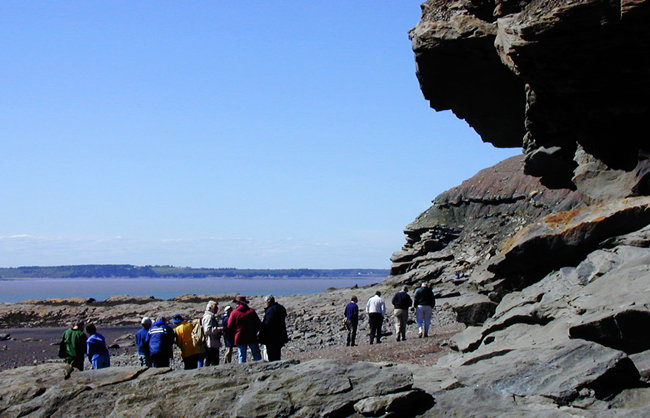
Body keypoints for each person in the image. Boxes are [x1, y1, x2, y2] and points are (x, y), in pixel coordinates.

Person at [227, 295, 262, 363]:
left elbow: (229, 325)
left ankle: (242, 370)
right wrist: (254, 331)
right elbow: (258, 324)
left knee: (242, 355)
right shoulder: (251, 311)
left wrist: (234, 332)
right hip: (251, 336)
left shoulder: (234, 313)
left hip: (239, 336)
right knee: (256, 354)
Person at [258, 294, 288, 361]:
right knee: (277, 352)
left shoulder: (271, 310)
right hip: (280, 334)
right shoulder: (280, 308)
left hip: (271, 335)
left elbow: (268, 323)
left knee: (271, 353)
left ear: (268, 302)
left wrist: (262, 330)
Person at [202, 300, 223, 366]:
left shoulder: (211, 316)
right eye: (215, 307)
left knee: (210, 360)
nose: (217, 309)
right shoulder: (209, 317)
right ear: (210, 308)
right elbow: (207, 330)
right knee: (213, 361)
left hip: (212, 342)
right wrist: (219, 329)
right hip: (211, 343)